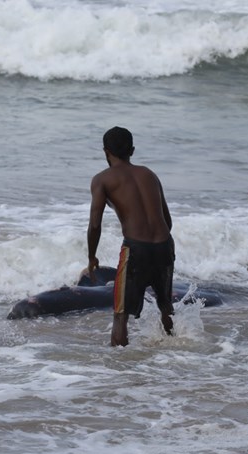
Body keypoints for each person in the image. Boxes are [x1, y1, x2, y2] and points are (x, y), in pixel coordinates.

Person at [88, 126, 175, 347]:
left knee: (120, 313)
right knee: (166, 306)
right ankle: (177, 354)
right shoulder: (149, 174)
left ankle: (119, 370)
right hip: (165, 245)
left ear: (106, 152)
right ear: (132, 150)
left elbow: (95, 224)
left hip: (136, 249)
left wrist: (92, 257)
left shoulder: (102, 180)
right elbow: (167, 219)